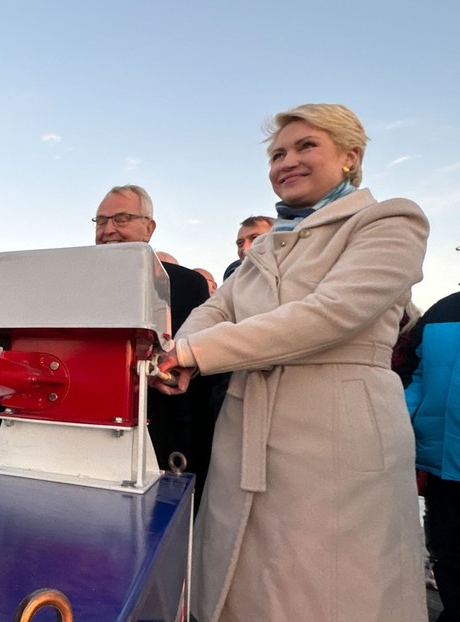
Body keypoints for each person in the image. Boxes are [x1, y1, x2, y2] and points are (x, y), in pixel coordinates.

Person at [153, 103, 428, 621]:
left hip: (339, 440)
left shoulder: (390, 219)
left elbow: (332, 314)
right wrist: (179, 359)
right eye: (278, 153)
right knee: (239, 587)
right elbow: (213, 309)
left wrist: (195, 354)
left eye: (306, 147)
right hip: (245, 432)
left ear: (351, 156)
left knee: (331, 593)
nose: (286, 162)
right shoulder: (265, 247)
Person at [93, 185, 216, 488]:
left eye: (121, 219)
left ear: (149, 228)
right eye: (101, 221)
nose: (109, 229)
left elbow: (201, 384)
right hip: (90, 438)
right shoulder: (75, 281)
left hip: (164, 443)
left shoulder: (187, 285)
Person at [405, 283, 460, 622]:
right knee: (447, 552)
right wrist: (399, 432)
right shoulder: (442, 310)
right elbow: (413, 378)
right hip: (441, 466)